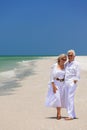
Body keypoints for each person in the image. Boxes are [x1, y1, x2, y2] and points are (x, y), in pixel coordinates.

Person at [45, 54, 67, 120]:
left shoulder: (65, 66)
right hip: (56, 83)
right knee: (57, 98)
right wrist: (53, 86)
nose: (64, 60)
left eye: (65, 59)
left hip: (63, 84)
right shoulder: (55, 66)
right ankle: (59, 113)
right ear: (59, 59)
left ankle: (58, 113)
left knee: (60, 99)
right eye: (63, 59)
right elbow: (51, 76)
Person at [64, 49, 80, 120]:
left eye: (71, 55)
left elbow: (78, 74)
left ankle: (70, 115)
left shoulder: (76, 64)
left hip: (72, 83)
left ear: (74, 56)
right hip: (66, 82)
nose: (69, 56)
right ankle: (73, 114)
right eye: (69, 55)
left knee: (70, 98)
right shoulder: (66, 64)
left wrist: (74, 81)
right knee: (68, 99)